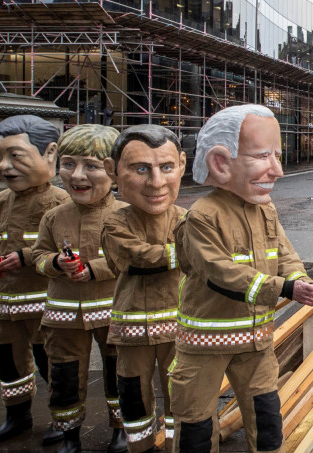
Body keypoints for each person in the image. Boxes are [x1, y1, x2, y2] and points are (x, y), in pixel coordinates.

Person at [170, 104, 313, 453]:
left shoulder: (264, 209)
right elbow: (221, 273)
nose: (278, 170)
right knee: (195, 423)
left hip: (255, 342)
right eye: (263, 156)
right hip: (205, 345)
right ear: (221, 163)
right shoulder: (202, 216)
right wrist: (286, 289)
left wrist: (300, 280)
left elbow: (284, 254)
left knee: (267, 419)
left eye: (278, 156)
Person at [32, 124, 128, 453]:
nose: (77, 175)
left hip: (114, 309)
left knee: (120, 373)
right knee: (64, 377)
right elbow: (38, 256)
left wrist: (93, 269)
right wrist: (55, 264)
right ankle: (69, 434)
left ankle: (121, 428)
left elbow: (131, 258)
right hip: (63, 314)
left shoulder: (126, 216)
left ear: (114, 171)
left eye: (91, 165)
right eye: (69, 163)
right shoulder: (54, 216)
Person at [0, 115, 70, 446]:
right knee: (7, 361)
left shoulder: (61, 203)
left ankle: (64, 418)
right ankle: (16, 414)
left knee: (53, 363)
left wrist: (27, 256)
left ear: (49, 153)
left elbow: (71, 248)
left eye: (16, 156)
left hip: (48, 304)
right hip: (7, 304)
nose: (4, 166)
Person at [101, 125, 188, 452]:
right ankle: (140, 447)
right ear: (113, 172)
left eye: (166, 167)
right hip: (133, 326)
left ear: (181, 165)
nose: (156, 182)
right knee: (133, 393)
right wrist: (184, 253)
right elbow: (133, 258)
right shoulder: (115, 222)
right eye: (141, 169)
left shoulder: (188, 219)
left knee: (180, 393)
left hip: (179, 327)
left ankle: (175, 444)